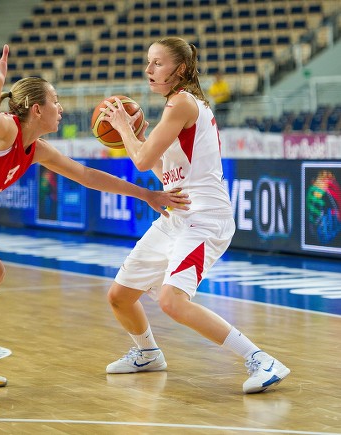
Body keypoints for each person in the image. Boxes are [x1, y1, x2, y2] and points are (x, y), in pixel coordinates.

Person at [0, 44, 189, 421]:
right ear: (36, 110)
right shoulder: (3, 130)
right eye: (56, 101)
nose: (61, 108)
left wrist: (145, 193)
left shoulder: (35, 149)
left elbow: (86, 175)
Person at [100, 37, 290, 394]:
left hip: (206, 217)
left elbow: (139, 161)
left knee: (172, 300)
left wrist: (125, 129)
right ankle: (147, 353)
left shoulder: (182, 103)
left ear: (181, 69)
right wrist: (135, 135)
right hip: (178, 213)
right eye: (148, 62)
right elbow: (158, 168)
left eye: (157, 63)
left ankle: (261, 360)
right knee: (120, 296)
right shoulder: (177, 106)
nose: (148, 70)